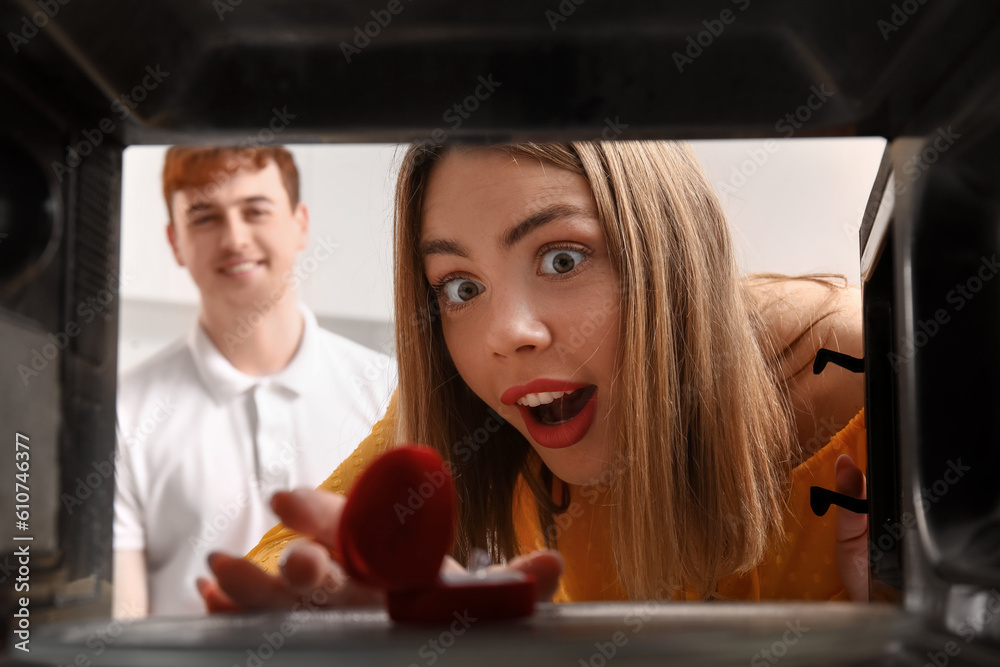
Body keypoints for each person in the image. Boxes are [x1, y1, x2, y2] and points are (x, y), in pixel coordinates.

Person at [197, 140, 869, 612]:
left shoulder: (871, 377)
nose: (504, 334)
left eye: (562, 258)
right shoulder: (456, 406)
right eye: (460, 287)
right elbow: (290, 561)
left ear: (667, 247)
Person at [113, 146, 396, 617]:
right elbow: (120, 619)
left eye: (255, 211)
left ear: (300, 224)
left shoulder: (389, 392)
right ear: (175, 242)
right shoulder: (124, 412)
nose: (234, 238)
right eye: (204, 217)